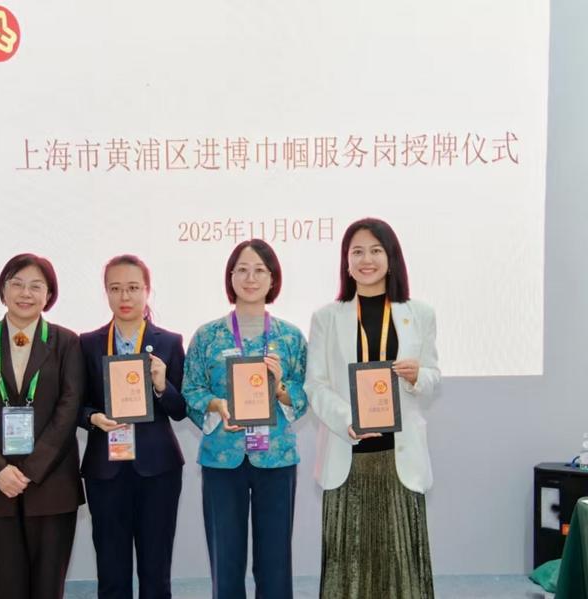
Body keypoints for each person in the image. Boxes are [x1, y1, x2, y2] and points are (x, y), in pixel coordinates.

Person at [304, 217, 440, 599]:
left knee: (403, 571)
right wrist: (348, 420)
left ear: (391, 257)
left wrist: (417, 377)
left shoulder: (419, 313)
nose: (367, 259)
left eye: (376, 250)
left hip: (400, 459)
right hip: (348, 456)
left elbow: (433, 375)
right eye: (357, 252)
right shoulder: (327, 317)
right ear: (346, 262)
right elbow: (315, 384)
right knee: (347, 568)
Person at [183, 239, 308, 599]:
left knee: (275, 561)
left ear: (273, 278)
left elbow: (304, 393)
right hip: (222, 458)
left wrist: (281, 387)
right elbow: (191, 389)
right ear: (230, 277)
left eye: (259, 270)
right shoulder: (207, 336)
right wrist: (216, 405)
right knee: (226, 560)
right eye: (242, 270)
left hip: (276, 457)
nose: (250, 278)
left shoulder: (290, 336)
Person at [0, 253, 84, 599]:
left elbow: (69, 409)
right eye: (17, 284)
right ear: (3, 290)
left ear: (49, 295)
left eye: (36, 286)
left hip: (51, 484)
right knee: (4, 588)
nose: (26, 293)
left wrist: (31, 469)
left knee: (48, 588)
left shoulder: (66, 342)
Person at [79, 254, 187, 599]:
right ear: (106, 292)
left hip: (158, 469)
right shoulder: (88, 343)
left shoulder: (169, 341)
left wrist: (161, 385)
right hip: (105, 468)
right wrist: (93, 418)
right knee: (111, 572)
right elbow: (76, 404)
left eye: (133, 288)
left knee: (156, 572)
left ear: (147, 290)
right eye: (115, 289)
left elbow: (181, 410)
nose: (124, 297)